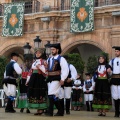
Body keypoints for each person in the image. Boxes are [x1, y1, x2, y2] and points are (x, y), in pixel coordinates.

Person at [46, 43, 69, 116]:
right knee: (54, 95)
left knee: (50, 93)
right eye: (51, 49)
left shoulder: (61, 59)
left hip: (57, 78)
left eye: (53, 49)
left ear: (57, 50)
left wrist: (63, 79)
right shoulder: (49, 59)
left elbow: (65, 69)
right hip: (50, 78)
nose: (52, 51)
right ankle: (60, 111)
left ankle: (50, 111)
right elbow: (47, 69)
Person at [25, 48, 47, 115]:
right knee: (34, 93)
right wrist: (27, 80)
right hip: (33, 79)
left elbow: (46, 71)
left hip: (40, 78)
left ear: (42, 54)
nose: (37, 54)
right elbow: (30, 72)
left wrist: (40, 67)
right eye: (36, 53)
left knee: (40, 92)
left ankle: (41, 109)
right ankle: (38, 108)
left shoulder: (44, 61)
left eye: (39, 53)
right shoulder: (34, 62)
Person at [109, 46, 120, 117]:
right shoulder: (112, 61)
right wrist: (109, 71)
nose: (116, 53)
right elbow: (109, 72)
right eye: (115, 51)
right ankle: (116, 112)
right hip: (114, 79)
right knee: (115, 96)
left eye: (117, 51)